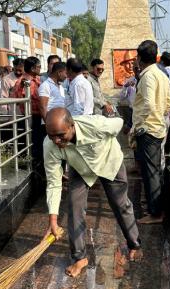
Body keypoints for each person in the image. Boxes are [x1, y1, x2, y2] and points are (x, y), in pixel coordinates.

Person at [43, 108, 141, 277]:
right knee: (74, 206)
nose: (56, 141)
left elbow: (118, 123)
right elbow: (53, 183)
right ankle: (79, 258)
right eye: (52, 136)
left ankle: (135, 244)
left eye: (60, 135)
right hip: (80, 168)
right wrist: (53, 219)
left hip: (109, 161)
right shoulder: (49, 144)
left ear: (72, 126)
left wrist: (111, 139)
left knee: (120, 204)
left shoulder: (95, 124)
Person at [132, 40, 170, 224]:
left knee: (151, 172)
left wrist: (137, 127)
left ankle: (155, 213)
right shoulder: (162, 74)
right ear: (156, 56)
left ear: (139, 57)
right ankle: (156, 208)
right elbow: (169, 103)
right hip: (157, 128)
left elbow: (147, 104)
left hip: (148, 129)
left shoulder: (147, 76)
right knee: (154, 170)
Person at [12, 57, 41, 160]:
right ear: (33, 68)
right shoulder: (24, 82)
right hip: (32, 117)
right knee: (34, 144)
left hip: (38, 116)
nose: (40, 69)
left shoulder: (36, 79)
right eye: (39, 67)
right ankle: (34, 167)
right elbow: (22, 97)